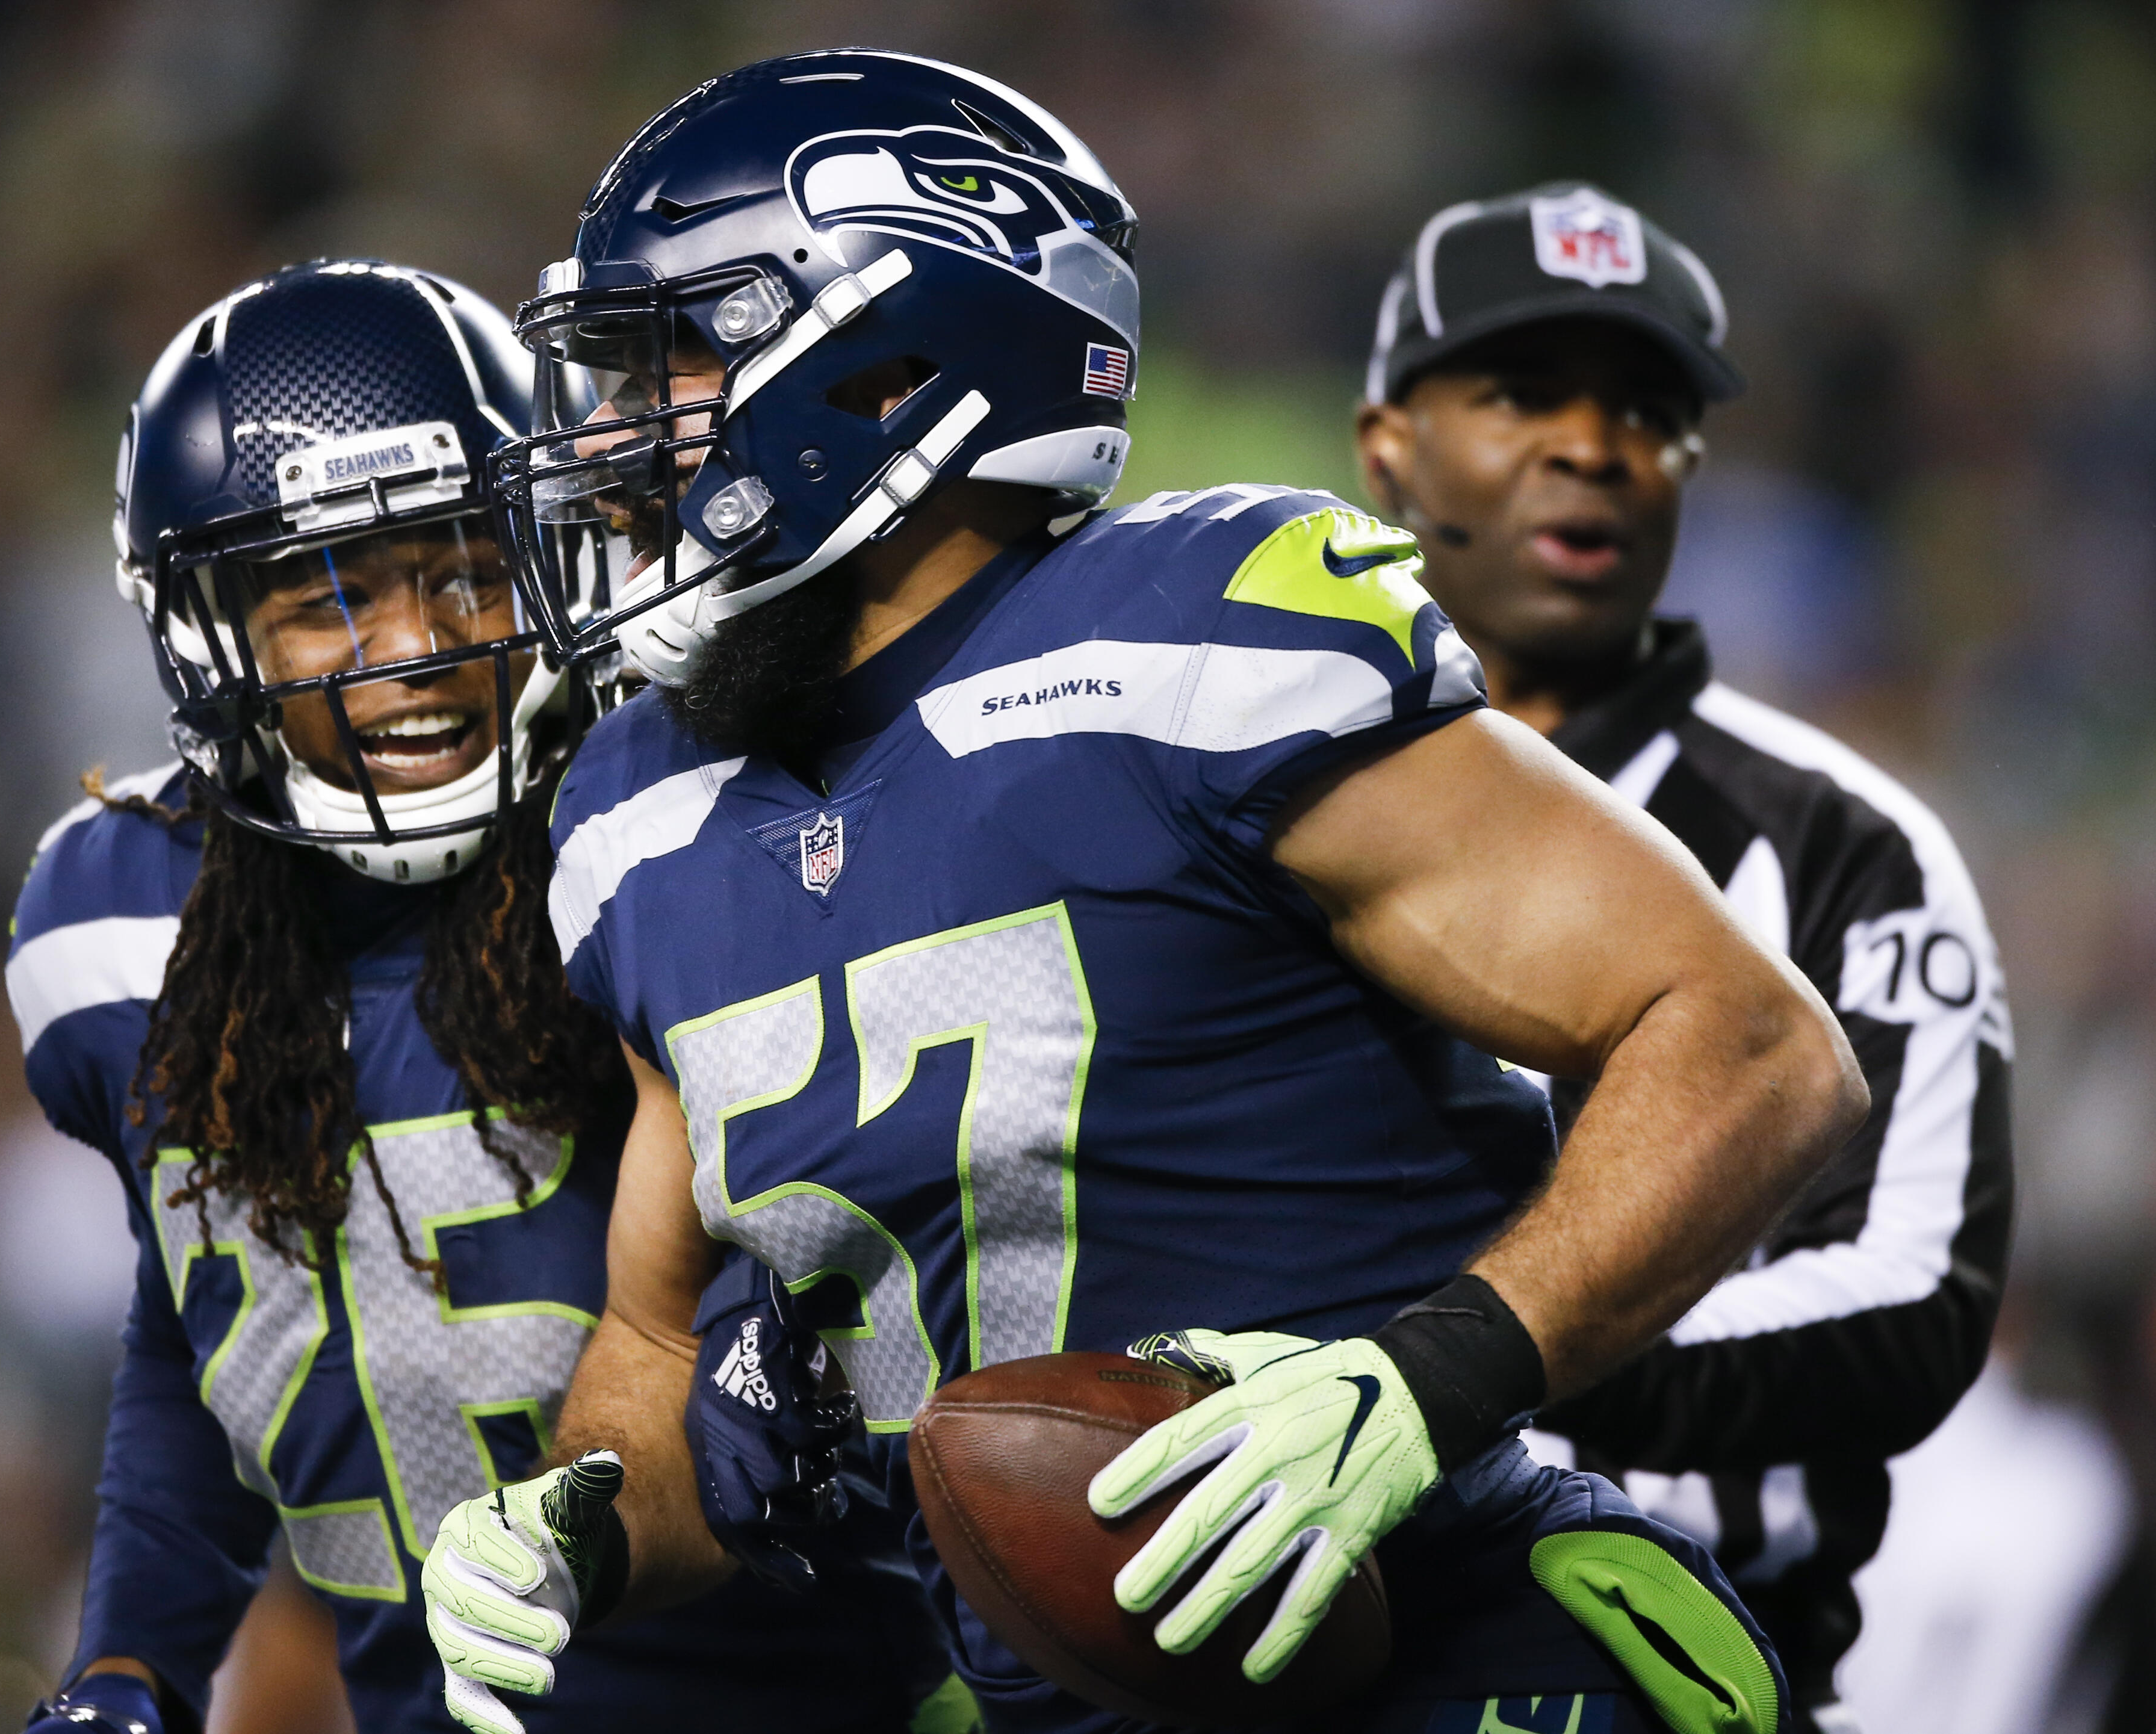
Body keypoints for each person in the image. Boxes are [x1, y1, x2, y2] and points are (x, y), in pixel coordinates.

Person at [421, 53, 1868, 1734]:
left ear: (889, 363)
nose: (608, 432)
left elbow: (1751, 1045)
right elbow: (663, 1358)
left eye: (668, 350)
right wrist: (574, 1524)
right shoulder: (629, 816)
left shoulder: (1184, 645)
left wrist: (1420, 1386)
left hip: (1428, 1654)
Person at [5, 258, 956, 1734]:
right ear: (209, 635)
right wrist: (132, 1662)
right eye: (328, 594)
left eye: (463, 561)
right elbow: (209, 1322)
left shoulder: (687, 838)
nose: (418, 648)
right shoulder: (120, 929)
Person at [1351, 184, 2014, 1734]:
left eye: (1646, 409)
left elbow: (1915, 1296)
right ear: (1389, 444)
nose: (1593, 445)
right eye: (1521, 392)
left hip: (1687, 1669)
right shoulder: (1233, 794)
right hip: (1269, 1655)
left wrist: (1445, 1366)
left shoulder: (1849, 844)